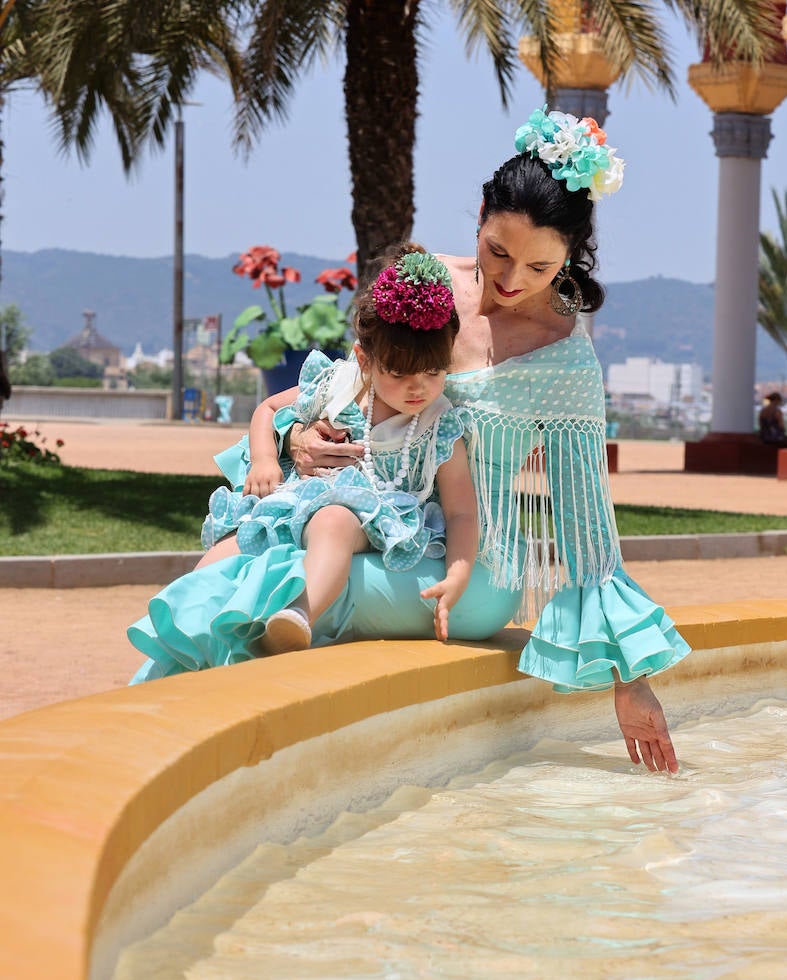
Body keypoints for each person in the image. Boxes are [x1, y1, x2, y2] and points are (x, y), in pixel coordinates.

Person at [130, 109, 690, 774]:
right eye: (497, 252)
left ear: (570, 256)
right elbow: (352, 383)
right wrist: (302, 435)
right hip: (359, 511)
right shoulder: (426, 285)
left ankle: (171, 748)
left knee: (265, 575)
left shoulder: (562, 359)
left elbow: (584, 527)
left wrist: (630, 679)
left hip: (468, 565)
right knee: (232, 552)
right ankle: (151, 748)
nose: (510, 281)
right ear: (479, 216)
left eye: (539, 267)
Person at [196, 246, 477, 651]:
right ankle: (183, 601)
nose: (418, 387)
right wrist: (263, 458)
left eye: (433, 371)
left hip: (370, 514)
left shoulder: (439, 424)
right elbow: (267, 407)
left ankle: (298, 615)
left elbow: (461, 510)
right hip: (294, 500)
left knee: (333, 522)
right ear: (365, 360)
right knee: (240, 540)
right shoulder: (338, 384)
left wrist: (459, 572)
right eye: (398, 372)